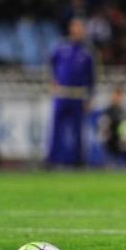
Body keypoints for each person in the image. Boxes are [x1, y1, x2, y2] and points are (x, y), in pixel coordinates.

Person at [47, 17, 95, 167]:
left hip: (78, 95)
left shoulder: (87, 52)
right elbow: (51, 64)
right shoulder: (61, 48)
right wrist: (53, 80)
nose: (78, 30)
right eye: (75, 27)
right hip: (62, 94)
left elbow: (91, 77)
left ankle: (78, 160)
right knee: (56, 129)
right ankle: (52, 159)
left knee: (78, 130)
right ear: (71, 29)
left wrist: (90, 97)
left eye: (80, 28)